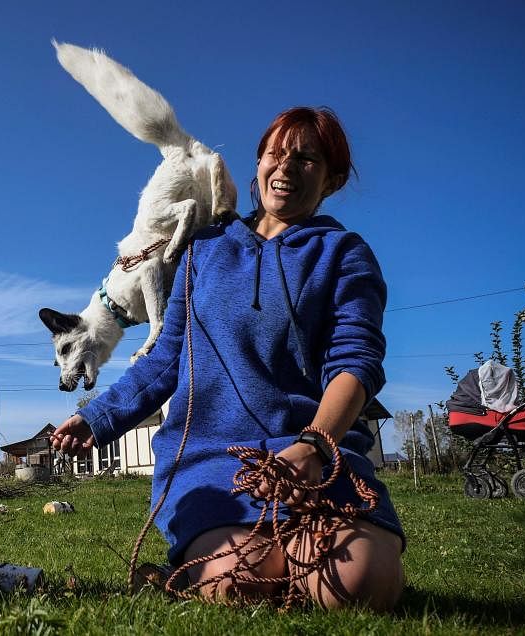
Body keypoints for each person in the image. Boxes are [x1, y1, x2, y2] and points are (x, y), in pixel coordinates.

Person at [51, 107, 404, 611]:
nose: (284, 169)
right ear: (257, 163)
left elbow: (356, 359)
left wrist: (315, 445)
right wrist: (97, 418)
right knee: (243, 581)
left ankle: (305, 548)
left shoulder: (344, 253)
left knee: (359, 584)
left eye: (305, 159)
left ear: (333, 178)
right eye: (274, 155)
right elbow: (166, 356)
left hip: (314, 455)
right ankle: (226, 562)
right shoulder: (204, 250)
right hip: (215, 459)